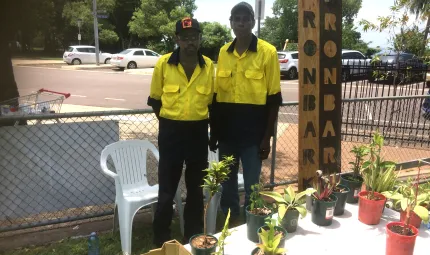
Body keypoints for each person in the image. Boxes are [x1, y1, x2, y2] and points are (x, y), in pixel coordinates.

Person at [209, 2, 282, 223]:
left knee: (252, 183)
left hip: (254, 135)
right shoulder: (223, 52)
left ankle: (252, 220)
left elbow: (273, 99)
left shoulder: (267, 52)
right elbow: (216, 97)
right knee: (227, 182)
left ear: (253, 21)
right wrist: (214, 132)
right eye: (237, 18)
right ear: (230, 23)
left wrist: (267, 137)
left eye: (246, 18)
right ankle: (230, 219)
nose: (241, 22)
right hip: (227, 134)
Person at [147, 17, 215, 246]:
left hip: (197, 132)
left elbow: (212, 103)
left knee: (196, 188)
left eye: (194, 37)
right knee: (167, 188)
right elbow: (155, 101)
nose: (190, 42)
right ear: (177, 39)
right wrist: (171, 122)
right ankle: (161, 237)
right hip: (171, 132)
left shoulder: (208, 66)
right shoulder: (163, 64)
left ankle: (193, 234)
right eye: (185, 38)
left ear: (199, 39)